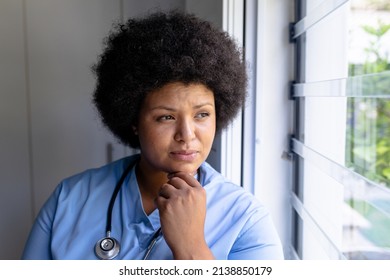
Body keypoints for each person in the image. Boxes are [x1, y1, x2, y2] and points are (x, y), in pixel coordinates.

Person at [22, 10, 284, 260]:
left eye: (202, 114)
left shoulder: (247, 221)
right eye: (166, 117)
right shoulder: (68, 200)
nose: (187, 134)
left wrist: (191, 247)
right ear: (134, 121)